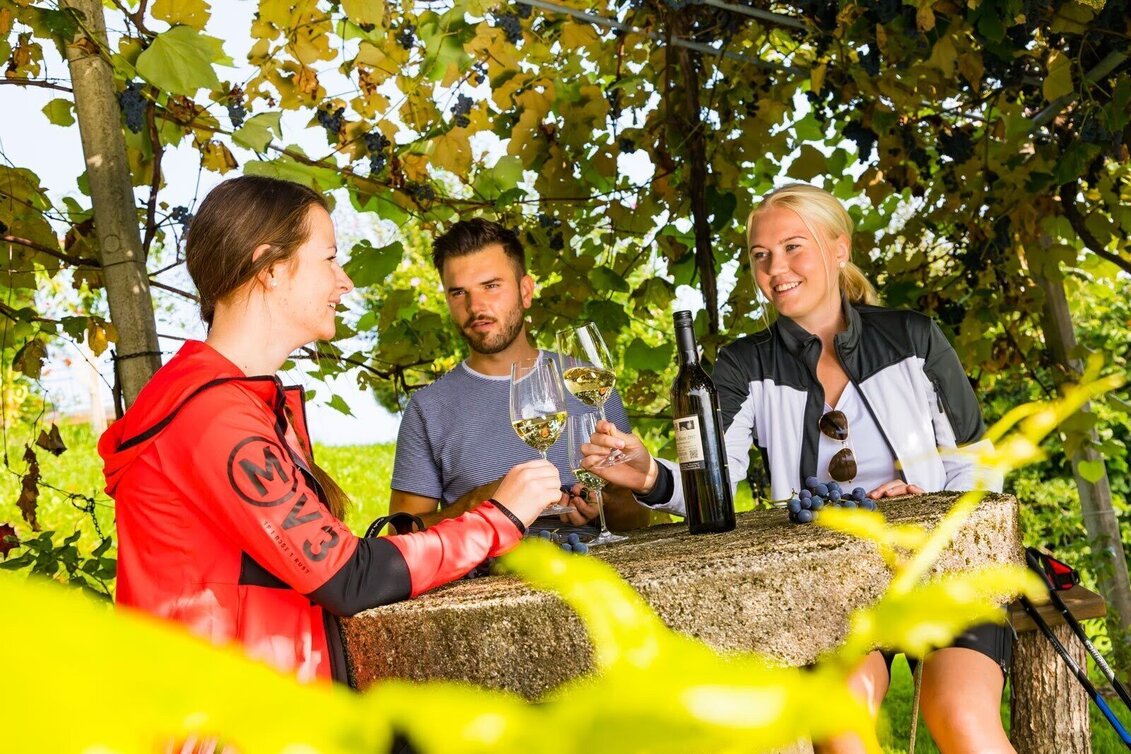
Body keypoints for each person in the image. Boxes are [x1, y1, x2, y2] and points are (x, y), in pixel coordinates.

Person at [584, 183, 1014, 753]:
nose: (775, 268)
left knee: (961, 719)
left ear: (838, 249)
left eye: (793, 248)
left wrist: (928, 507)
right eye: (761, 256)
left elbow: (979, 466)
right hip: (824, 588)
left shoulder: (913, 337)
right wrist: (647, 477)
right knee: (841, 726)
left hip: (940, 570)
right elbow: (714, 479)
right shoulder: (744, 363)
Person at [98, 176, 561, 685]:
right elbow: (348, 577)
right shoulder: (215, 419)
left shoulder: (242, 406)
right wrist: (500, 518)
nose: (345, 282)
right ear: (272, 269)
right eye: (330, 259)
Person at [389, 218, 650, 534]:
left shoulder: (587, 383)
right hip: (490, 580)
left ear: (526, 291)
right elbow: (403, 540)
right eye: (458, 293)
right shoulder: (428, 408)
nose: (475, 306)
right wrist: (478, 506)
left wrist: (602, 507)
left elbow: (638, 520)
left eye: (491, 286)